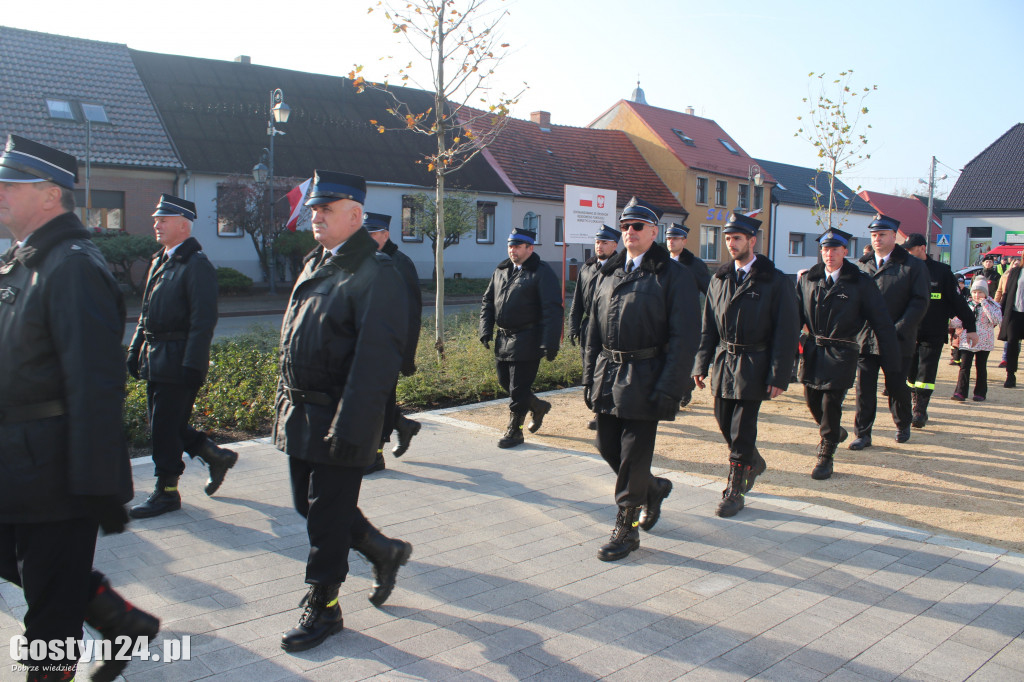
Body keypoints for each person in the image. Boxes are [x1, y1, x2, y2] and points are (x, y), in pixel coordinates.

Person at [0, 135, 158, 682]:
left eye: (8, 184)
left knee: (49, 623)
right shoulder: (24, 262)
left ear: (48, 195)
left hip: (53, 473)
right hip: (15, 464)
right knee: (45, 581)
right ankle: (116, 618)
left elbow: (96, 384)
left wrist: (99, 483)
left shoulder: (71, 266)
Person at [274, 171, 412, 652]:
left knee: (326, 521)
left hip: (339, 416)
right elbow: (295, 338)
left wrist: (352, 427)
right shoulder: (318, 262)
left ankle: (325, 606)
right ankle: (383, 550)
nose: (314, 216)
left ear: (354, 216)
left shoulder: (375, 272)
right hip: (303, 413)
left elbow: (376, 360)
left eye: (325, 210)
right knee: (305, 505)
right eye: (314, 209)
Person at [583, 197, 700, 560]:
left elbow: (685, 337)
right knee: (606, 445)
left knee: (634, 455)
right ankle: (654, 488)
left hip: (646, 375)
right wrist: (589, 378)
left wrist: (671, 385)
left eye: (637, 226)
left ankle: (627, 527)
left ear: (654, 232)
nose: (629, 232)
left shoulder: (674, 275)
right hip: (609, 372)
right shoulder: (608, 272)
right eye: (625, 226)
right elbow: (593, 330)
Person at [126, 194, 238, 518]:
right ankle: (214, 456)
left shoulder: (196, 265)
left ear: (182, 225)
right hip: (155, 357)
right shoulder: (160, 260)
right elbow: (145, 314)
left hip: (178, 361)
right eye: (156, 219)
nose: (155, 224)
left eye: (163, 220)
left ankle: (166, 493)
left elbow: (203, 322)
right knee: (164, 424)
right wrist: (135, 349)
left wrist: (193, 363)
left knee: (164, 428)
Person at [692, 212, 799, 516]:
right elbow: (708, 326)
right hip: (725, 362)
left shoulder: (774, 281)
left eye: (737, 238)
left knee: (741, 429)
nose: (731, 243)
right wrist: (701, 363)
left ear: (752, 240)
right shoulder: (719, 278)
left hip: (756, 362)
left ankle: (734, 489)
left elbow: (787, 331)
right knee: (723, 421)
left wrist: (780, 374)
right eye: (727, 238)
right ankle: (753, 460)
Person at [796, 228, 901, 480]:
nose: (829, 254)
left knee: (831, 402)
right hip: (813, 348)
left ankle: (826, 454)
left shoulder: (861, 283)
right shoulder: (808, 279)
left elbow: (881, 322)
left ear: (845, 251)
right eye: (825, 249)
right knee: (813, 402)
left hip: (842, 350)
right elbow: (795, 316)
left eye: (834, 249)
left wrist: (892, 359)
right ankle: (833, 431)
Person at [849, 214, 930, 450]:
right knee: (863, 389)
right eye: (873, 235)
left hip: (897, 338)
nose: (877, 239)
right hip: (865, 338)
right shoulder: (862, 265)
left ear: (894, 237)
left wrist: (899, 329)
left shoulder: (912, 266)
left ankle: (903, 423)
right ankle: (863, 433)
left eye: (882, 234)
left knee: (896, 385)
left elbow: (920, 301)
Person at [479, 227, 562, 448]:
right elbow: (487, 301)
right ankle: (538, 406)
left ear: (530, 248)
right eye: (510, 245)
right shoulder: (501, 270)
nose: (512, 250)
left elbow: (552, 309)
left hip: (528, 338)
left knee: (518, 389)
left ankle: (515, 431)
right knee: (505, 382)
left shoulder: (541, 272)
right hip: (503, 338)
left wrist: (550, 342)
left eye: (517, 246)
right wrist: (485, 329)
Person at [363, 212, 423, 472]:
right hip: (363, 347)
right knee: (371, 400)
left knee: (380, 401)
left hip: (388, 348)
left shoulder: (400, 263)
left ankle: (375, 455)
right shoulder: (361, 260)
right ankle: (402, 425)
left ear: (384, 235)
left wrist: (407, 355)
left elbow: (412, 313)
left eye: (371, 234)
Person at [902, 233, 977, 428]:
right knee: (910, 374)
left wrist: (971, 326)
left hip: (932, 331)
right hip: (908, 331)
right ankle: (913, 402)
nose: (908, 253)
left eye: (911, 249)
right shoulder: (903, 269)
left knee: (926, 372)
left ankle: (920, 410)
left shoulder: (942, 272)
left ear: (922, 248)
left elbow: (957, 301)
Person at [568, 224, 620, 430]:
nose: (599, 246)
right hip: (589, 327)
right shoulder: (587, 268)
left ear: (615, 245)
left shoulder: (620, 268)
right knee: (590, 370)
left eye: (604, 242)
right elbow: (577, 300)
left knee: (606, 370)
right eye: (597, 242)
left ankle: (603, 414)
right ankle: (599, 408)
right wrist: (573, 326)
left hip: (609, 327)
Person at [665, 221, 711, 408]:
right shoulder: (661, 262)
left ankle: (684, 387)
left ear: (684, 241)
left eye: (675, 238)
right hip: (664, 319)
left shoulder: (694, 264)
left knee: (681, 358)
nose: (671, 242)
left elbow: (709, 291)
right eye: (668, 238)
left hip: (686, 320)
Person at [951, 278, 1002, 401]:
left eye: (980, 292)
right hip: (967, 341)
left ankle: (980, 393)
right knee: (964, 366)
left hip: (984, 341)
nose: (977, 295)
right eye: (974, 292)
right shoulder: (967, 304)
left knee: (981, 366)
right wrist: (951, 322)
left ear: (986, 293)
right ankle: (960, 392)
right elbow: (958, 321)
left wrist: (984, 304)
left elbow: (996, 320)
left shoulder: (993, 305)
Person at [998, 257, 1024, 388]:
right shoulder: (1015, 271)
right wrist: (999, 313)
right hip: (1015, 313)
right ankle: (1010, 375)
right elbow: (1006, 293)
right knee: (1012, 343)